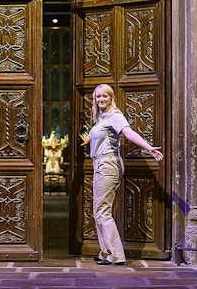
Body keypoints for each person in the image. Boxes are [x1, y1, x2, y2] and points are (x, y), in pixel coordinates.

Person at [80, 83, 162, 265]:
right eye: (98, 96)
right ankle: (106, 253)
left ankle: (116, 255)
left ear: (111, 98)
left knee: (102, 212)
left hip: (107, 164)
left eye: (105, 96)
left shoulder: (115, 116)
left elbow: (128, 133)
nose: (101, 99)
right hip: (101, 163)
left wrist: (149, 148)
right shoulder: (102, 117)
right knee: (99, 211)